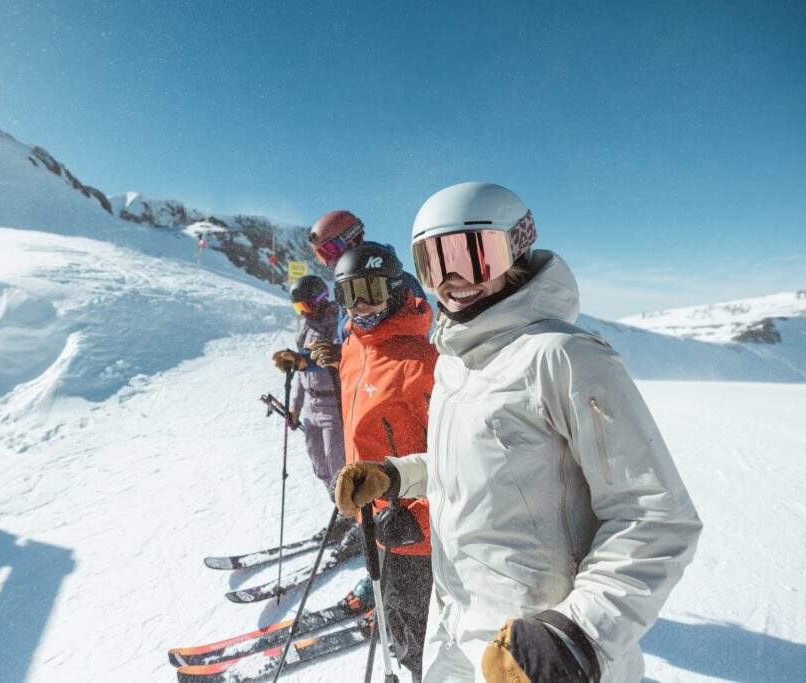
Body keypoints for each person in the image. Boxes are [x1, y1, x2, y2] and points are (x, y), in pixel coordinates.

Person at [333, 182, 702, 682]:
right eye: (434, 262)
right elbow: (471, 466)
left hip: (541, 657)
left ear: (518, 250)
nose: (452, 279)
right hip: (456, 638)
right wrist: (396, 476)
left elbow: (655, 517)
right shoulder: (454, 365)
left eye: (472, 256)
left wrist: (574, 635)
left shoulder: (564, 357)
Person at [332, 243, 437, 682]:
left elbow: (456, 457)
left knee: (421, 633)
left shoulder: (424, 364)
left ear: (395, 290)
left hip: (417, 532)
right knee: (393, 610)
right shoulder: (354, 348)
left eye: (371, 291)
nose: (360, 306)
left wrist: (421, 518)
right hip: (372, 513)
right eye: (347, 294)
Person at [270, 275, 346, 489]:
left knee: (337, 465)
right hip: (310, 408)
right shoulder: (304, 330)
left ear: (322, 299)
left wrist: (301, 359)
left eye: (307, 305)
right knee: (319, 464)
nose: (304, 311)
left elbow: (329, 359)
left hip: (332, 405)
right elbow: (302, 377)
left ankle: (350, 514)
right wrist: (295, 409)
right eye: (298, 307)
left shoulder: (337, 324)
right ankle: (338, 511)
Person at [308, 210, 427, 341]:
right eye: (323, 256)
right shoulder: (346, 286)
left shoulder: (399, 282)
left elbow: (411, 339)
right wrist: (340, 355)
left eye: (331, 250)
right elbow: (350, 333)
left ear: (353, 238)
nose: (331, 261)